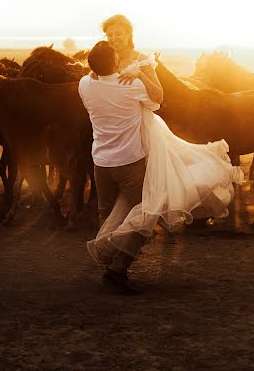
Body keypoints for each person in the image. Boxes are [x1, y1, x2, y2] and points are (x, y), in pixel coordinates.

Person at [80, 15, 244, 294]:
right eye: (109, 34)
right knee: (122, 209)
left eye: (118, 33)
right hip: (122, 137)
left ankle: (114, 259)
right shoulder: (100, 68)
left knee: (144, 204)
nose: (114, 38)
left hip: (142, 136)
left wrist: (138, 72)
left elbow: (159, 97)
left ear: (128, 34)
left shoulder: (136, 61)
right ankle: (114, 260)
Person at [78, 40, 160, 293]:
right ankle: (117, 269)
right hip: (130, 163)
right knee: (145, 217)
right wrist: (142, 75)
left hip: (101, 162)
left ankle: (108, 261)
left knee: (108, 213)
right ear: (115, 63)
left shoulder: (84, 84)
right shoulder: (132, 84)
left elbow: (93, 75)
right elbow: (159, 98)